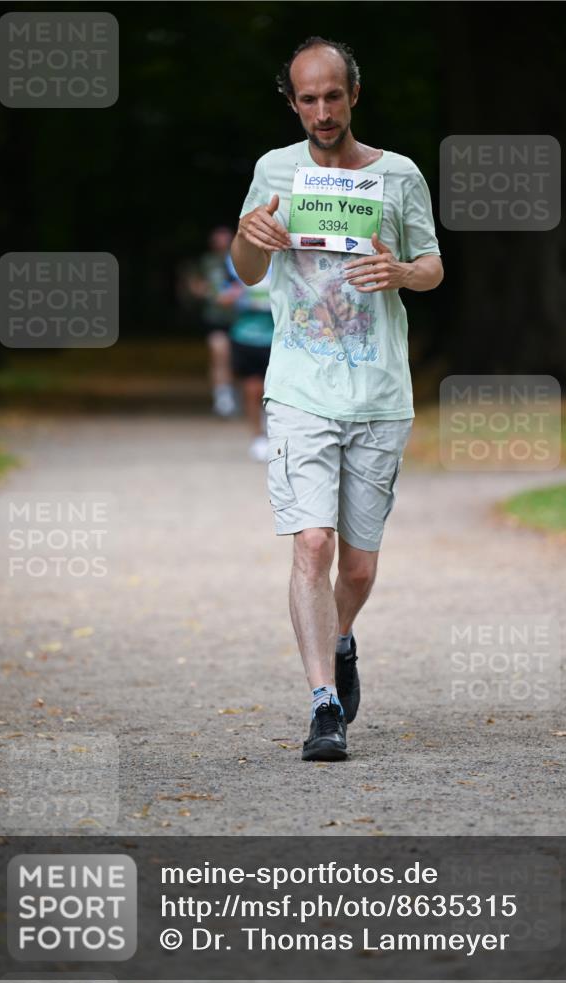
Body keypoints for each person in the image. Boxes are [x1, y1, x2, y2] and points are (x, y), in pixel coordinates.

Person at [232, 37, 443, 761]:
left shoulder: (399, 175)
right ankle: (324, 704)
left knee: (355, 567)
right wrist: (250, 234)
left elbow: (432, 265)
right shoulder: (274, 170)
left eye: (332, 96)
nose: (321, 111)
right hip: (299, 388)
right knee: (311, 543)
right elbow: (248, 267)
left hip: (379, 391)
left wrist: (400, 274)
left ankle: (342, 637)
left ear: (354, 94)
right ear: (291, 103)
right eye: (307, 99)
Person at [217, 257, 274, 461]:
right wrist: (238, 295)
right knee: (252, 389)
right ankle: (257, 437)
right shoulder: (235, 264)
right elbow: (222, 297)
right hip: (245, 337)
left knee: (274, 391)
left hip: (278, 339)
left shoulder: (284, 259)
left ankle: (274, 436)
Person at [183, 226, 239, 418]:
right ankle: (223, 396)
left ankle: (242, 394)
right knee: (219, 353)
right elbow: (195, 284)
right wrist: (209, 293)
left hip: (241, 317)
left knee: (237, 358)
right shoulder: (206, 262)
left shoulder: (241, 259)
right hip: (215, 317)